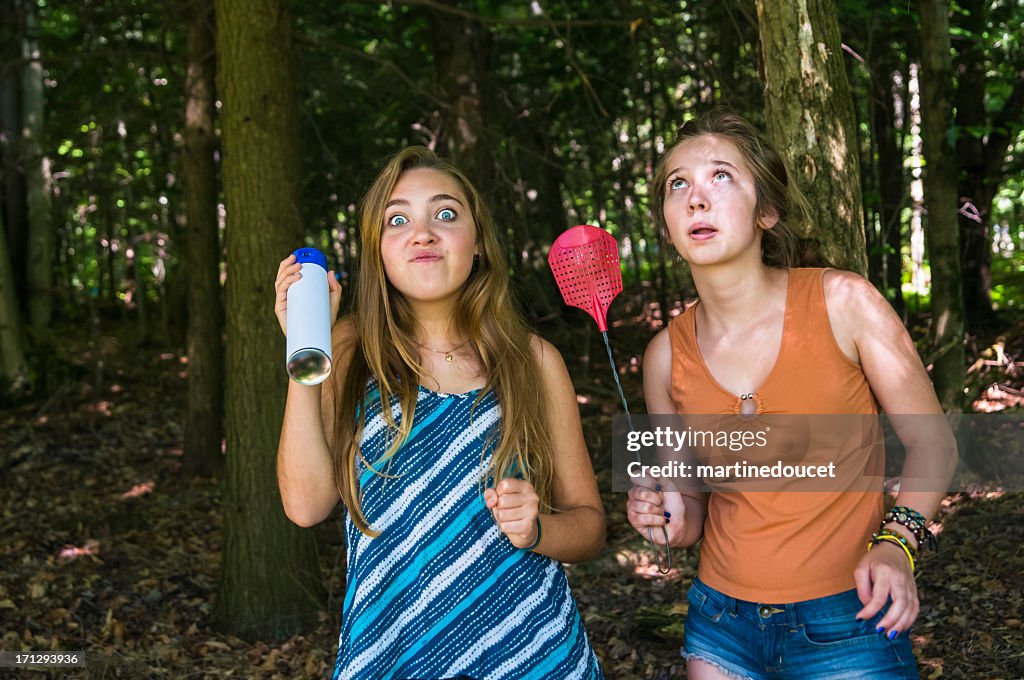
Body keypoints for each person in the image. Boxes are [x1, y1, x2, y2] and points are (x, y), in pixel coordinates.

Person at [626, 108, 955, 679]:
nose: (696, 198)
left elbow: (935, 445)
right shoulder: (663, 355)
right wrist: (666, 516)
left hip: (852, 616)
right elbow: (692, 506)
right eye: (678, 184)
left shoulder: (845, 304)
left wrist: (897, 545)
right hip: (720, 625)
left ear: (768, 212)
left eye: (721, 176)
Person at [274, 147, 605, 680]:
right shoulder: (349, 349)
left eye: (446, 214)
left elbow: (589, 526)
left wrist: (538, 528)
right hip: (394, 653)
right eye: (398, 219)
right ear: (377, 250)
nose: (422, 233)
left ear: (477, 244)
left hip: (534, 654)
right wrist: (304, 348)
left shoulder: (534, 361)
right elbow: (305, 505)